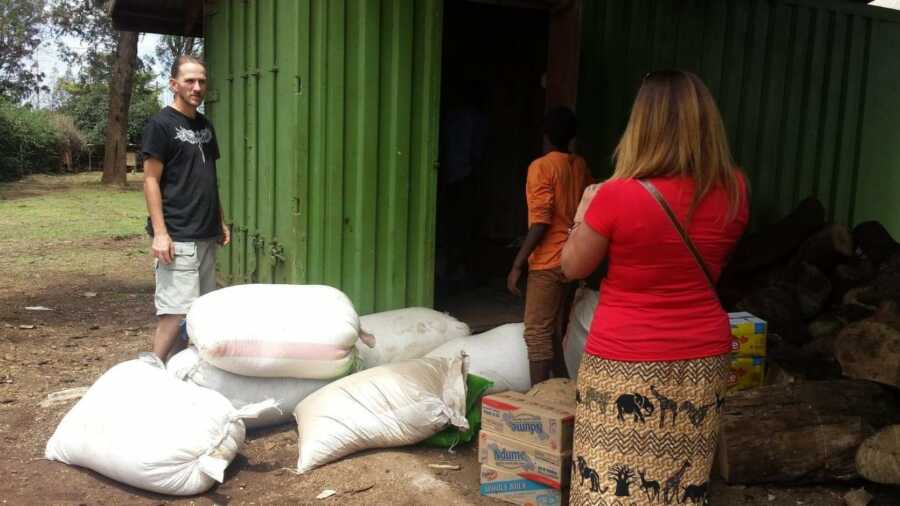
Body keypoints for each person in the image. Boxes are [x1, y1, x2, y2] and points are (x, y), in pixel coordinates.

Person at [561, 70, 749, 505]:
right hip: (703, 355)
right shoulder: (735, 189)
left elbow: (572, 266)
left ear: (640, 125)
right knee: (679, 489)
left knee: (606, 487)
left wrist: (583, 209)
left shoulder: (616, 195)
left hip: (624, 359)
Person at [142, 55, 230, 362]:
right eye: (190, 81)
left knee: (198, 313)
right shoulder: (160, 124)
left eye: (202, 81)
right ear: (174, 84)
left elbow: (208, 178)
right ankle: (153, 371)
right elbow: (151, 180)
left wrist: (219, 221)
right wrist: (160, 234)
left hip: (205, 232)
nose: (196, 87)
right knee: (175, 312)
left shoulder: (205, 125)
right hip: (178, 234)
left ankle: (175, 371)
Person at [507, 106, 593, 385]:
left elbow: (541, 221)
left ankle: (539, 399)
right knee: (553, 330)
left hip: (547, 260)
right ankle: (563, 388)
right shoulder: (579, 165)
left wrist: (518, 264)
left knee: (536, 332)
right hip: (572, 258)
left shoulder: (541, 167)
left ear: (545, 135)